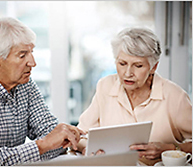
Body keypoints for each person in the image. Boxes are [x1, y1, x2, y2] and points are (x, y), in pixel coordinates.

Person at [0, 17, 85, 166]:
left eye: (31, 52)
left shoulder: (25, 85)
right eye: (22, 55)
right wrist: (42, 146)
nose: (33, 63)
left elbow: (52, 135)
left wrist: (64, 138)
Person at [76, 28, 192, 159]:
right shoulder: (105, 86)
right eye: (122, 63)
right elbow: (80, 136)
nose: (128, 73)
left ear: (153, 67)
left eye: (138, 66)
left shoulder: (174, 95)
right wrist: (88, 149)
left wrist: (170, 149)